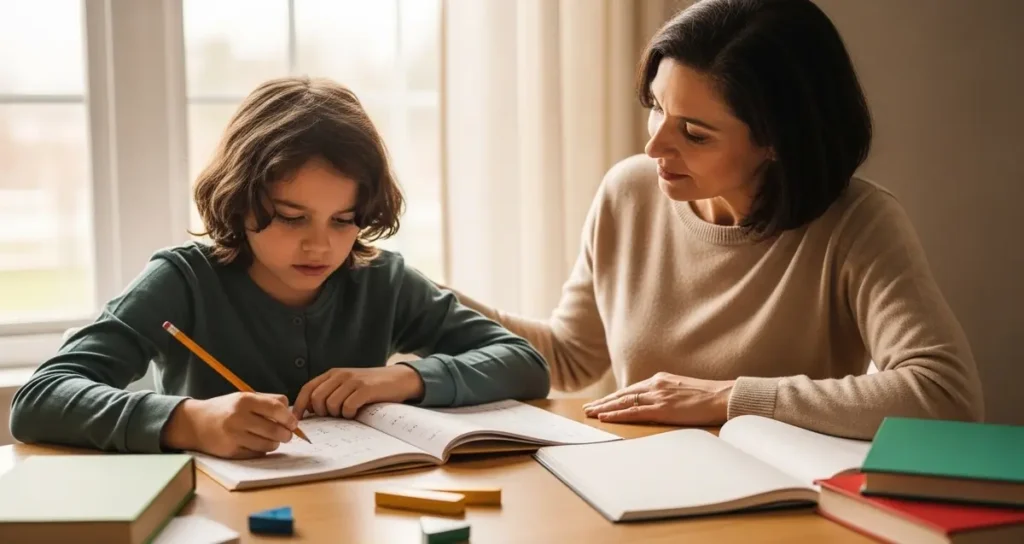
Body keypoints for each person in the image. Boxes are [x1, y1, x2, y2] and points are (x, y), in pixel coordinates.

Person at [441, 0, 983, 440]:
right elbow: (569, 357)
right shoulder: (629, 192)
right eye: (656, 107)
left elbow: (945, 395)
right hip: (639, 487)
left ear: (776, 141)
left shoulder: (858, 223)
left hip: (783, 506)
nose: (654, 146)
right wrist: (423, 299)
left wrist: (728, 398)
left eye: (694, 133)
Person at [9, 76, 549, 459]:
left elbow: (525, 364)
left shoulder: (380, 279)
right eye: (292, 218)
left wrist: (403, 378)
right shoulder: (183, 280)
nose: (321, 245)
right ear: (240, 201)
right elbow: (39, 399)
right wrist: (189, 421)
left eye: (344, 220)